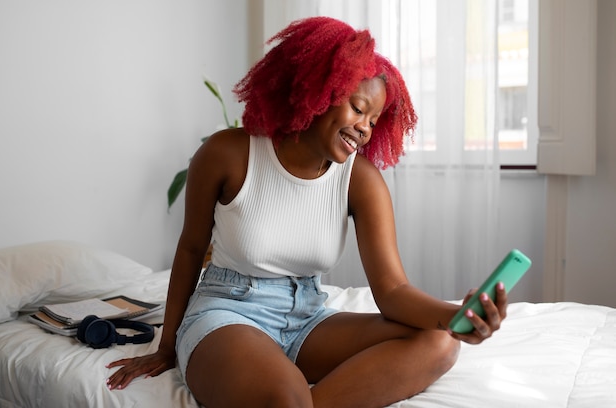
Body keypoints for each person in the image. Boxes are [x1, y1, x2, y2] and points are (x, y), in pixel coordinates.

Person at [106, 16, 508, 407]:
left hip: (307, 317)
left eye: (373, 119)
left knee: (439, 343)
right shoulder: (227, 153)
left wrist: (457, 314)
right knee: (285, 396)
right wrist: (167, 346)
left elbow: (393, 291)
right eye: (357, 108)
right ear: (317, 90)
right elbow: (191, 249)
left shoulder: (361, 180)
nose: (365, 128)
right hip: (226, 311)